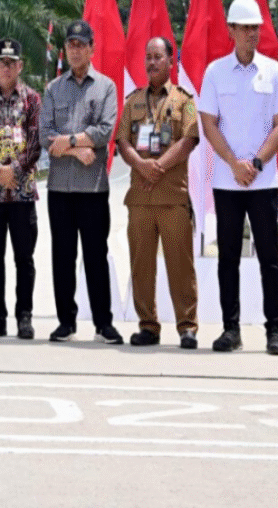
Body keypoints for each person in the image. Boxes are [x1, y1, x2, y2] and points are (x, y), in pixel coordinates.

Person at [199, 0, 278, 356]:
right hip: (227, 182)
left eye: (256, 27)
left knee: (269, 256)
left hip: (263, 182)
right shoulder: (215, 72)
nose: (253, 33)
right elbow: (208, 122)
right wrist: (234, 163)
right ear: (232, 30)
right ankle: (230, 329)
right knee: (228, 259)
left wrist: (255, 163)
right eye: (246, 27)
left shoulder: (274, 71)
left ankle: (274, 331)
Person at [40, 18, 123, 344]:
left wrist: (68, 143)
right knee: (62, 255)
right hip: (60, 188)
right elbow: (47, 137)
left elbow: (104, 131)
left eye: (81, 45)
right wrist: (77, 149)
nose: (75, 50)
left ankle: (104, 322)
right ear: (65, 49)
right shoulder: (52, 89)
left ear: (91, 49)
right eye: (70, 45)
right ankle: (66, 321)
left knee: (95, 255)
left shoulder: (105, 87)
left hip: (92, 188)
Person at [116, 36, 200, 349]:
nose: (152, 62)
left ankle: (187, 327)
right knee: (142, 265)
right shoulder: (133, 100)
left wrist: (158, 166)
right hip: (140, 198)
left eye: (158, 57)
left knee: (180, 264)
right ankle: (148, 326)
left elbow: (189, 139)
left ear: (171, 61)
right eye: (148, 57)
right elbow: (123, 141)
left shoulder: (185, 100)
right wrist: (140, 164)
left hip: (172, 196)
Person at [0, 38, 42, 340]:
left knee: (24, 258)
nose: (6, 67)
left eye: (11, 62)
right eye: (1, 61)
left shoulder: (32, 99)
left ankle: (24, 316)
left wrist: (13, 171)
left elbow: (36, 141)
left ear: (20, 66)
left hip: (22, 192)